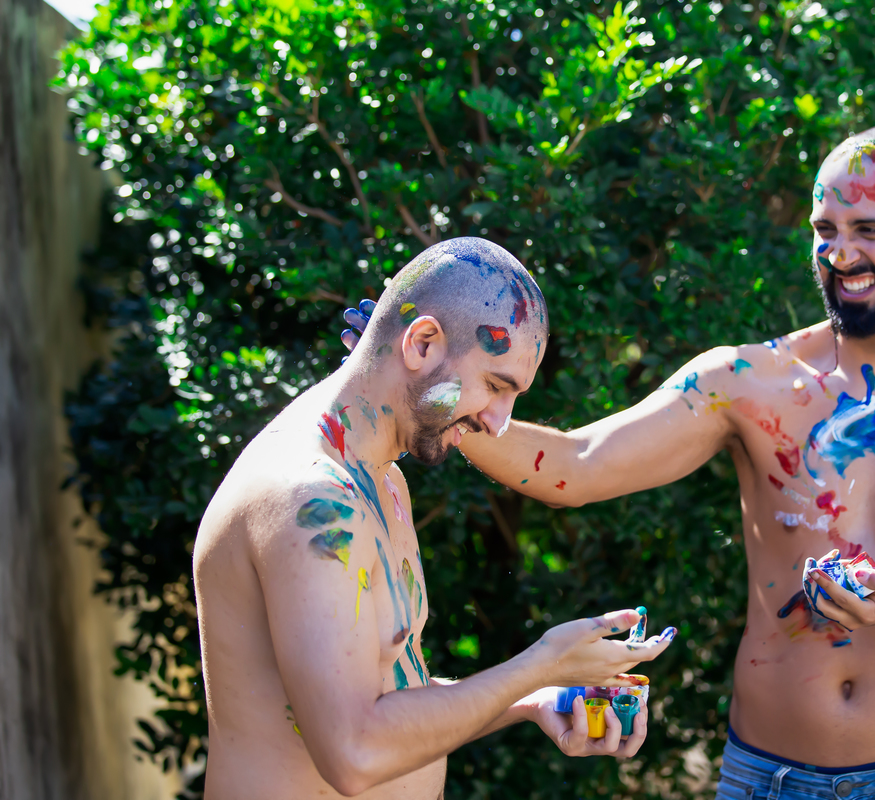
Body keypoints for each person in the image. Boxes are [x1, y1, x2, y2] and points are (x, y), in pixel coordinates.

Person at [344, 125, 875, 799]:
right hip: (768, 778)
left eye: (870, 231)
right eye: (825, 231)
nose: (841, 255)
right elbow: (579, 465)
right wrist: (432, 395)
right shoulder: (749, 382)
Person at [194, 237, 677, 800]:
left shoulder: (381, 481)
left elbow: (388, 696)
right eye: (496, 386)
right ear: (422, 342)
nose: (499, 423)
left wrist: (532, 700)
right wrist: (541, 664)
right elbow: (353, 753)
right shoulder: (311, 500)